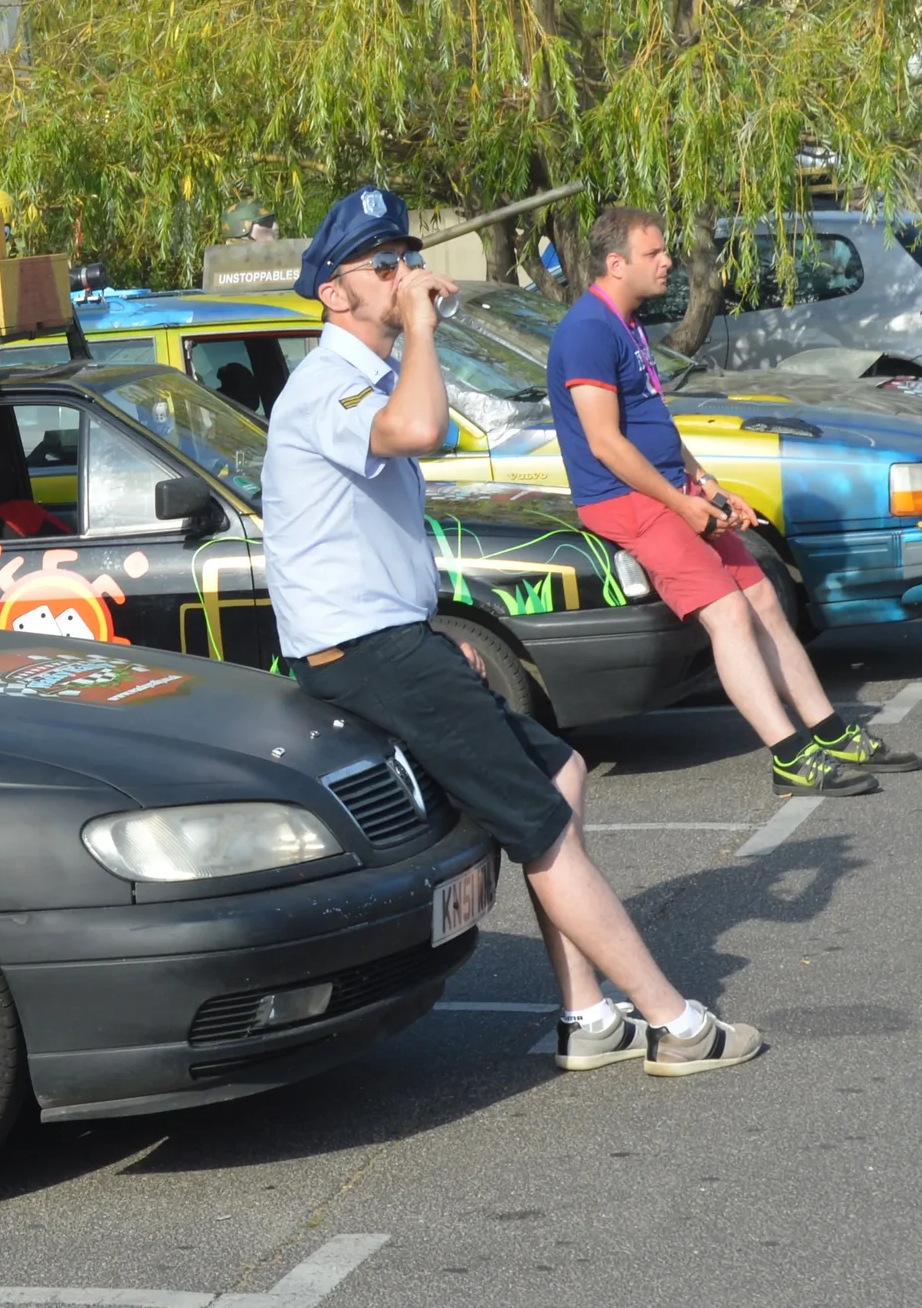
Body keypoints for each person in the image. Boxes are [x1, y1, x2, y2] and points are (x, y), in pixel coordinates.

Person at [262, 185, 760, 1076]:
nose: (405, 276)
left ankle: (583, 1014)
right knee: (541, 823)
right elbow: (422, 429)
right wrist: (418, 327)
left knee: (560, 770)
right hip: (361, 649)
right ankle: (673, 1023)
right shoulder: (322, 386)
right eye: (384, 266)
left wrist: (421, 328)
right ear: (334, 292)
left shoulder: (365, 375)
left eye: (408, 259)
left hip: (392, 637)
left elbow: (426, 428)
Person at [549, 206, 920, 796]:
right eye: (654, 253)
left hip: (669, 492)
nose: (668, 260)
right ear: (615, 264)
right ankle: (790, 757)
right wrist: (679, 501)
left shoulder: (627, 323)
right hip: (629, 501)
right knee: (728, 616)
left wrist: (709, 486)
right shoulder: (589, 330)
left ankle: (827, 730)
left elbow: (653, 425)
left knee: (764, 600)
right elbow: (606, 443)